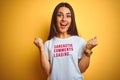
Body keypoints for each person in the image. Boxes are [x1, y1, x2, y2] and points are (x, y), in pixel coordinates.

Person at [34, 2, 98, 80]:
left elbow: (81, 69)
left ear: (71, 20)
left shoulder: (79, 41)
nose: (64, 19)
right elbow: (47, 71)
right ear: (55, 19)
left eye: (68, 16)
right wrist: (41, 48)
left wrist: (88, 49)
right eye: (60, 15)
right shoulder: (48, 44)